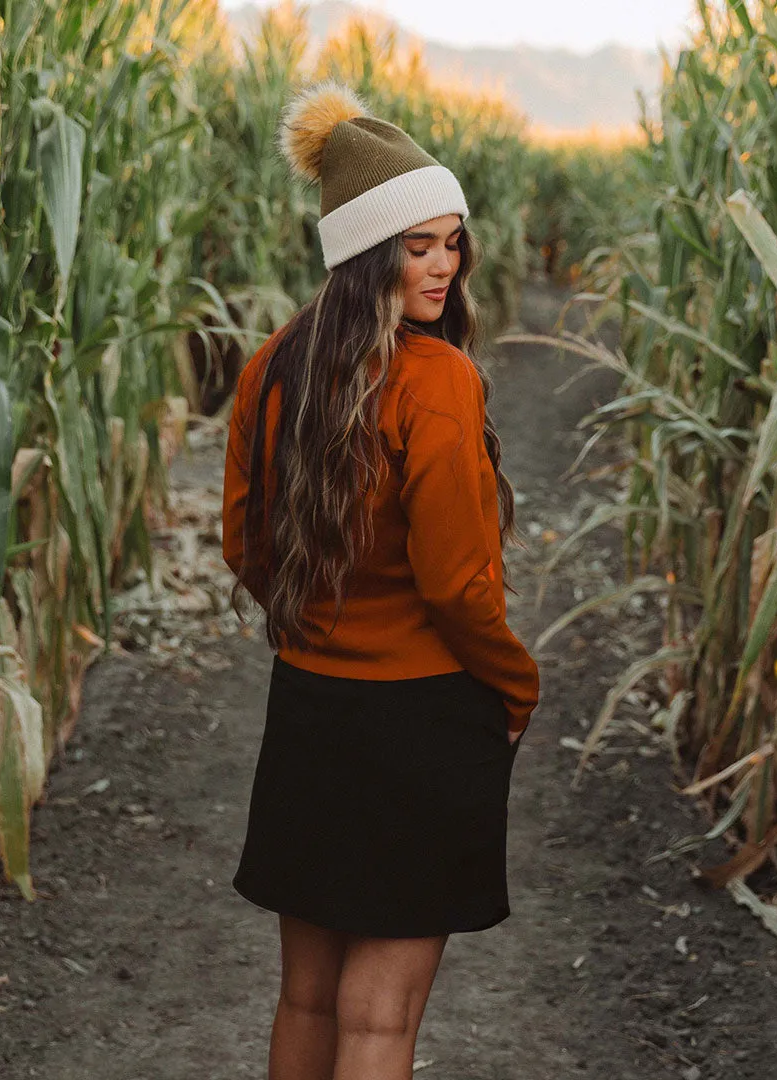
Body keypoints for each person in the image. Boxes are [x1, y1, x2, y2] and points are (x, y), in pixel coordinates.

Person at [221, 79, 540, 1080]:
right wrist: (515, 682)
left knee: (306, 999)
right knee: (376, 1024)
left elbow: (244, 541)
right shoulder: (438, 380)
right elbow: (458, 585)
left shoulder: (272, 364)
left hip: (311, 709)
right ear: (367, 252)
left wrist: (313, 626)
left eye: (453, 241)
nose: (444, 265)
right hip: (421, 721)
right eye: (419, 245)